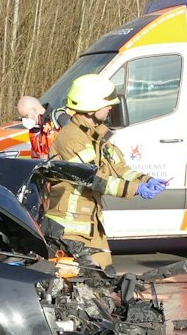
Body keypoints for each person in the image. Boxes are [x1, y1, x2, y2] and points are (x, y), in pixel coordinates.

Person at [40, 74, 166, 268]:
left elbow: (118, 167)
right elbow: (94, 179)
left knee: (106, 275)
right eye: (107, 104)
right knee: (77, 281)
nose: (110, 108)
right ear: (91, 106)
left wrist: (146, 180)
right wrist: (136, 189)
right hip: (69, 229)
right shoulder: (71, 138)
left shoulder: (96, 135)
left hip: (91, 227)